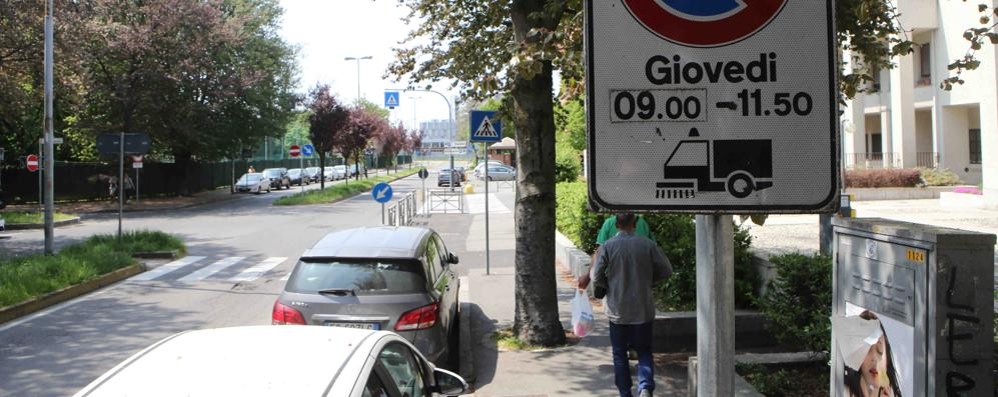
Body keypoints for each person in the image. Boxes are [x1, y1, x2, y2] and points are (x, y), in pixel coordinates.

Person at [582, 213, 672, 397]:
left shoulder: (608, 246)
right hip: (643, 307)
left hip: (618, 308)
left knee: (619, 353)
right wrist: (650, 281)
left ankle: (625, 392)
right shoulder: (647, 244)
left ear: (616, 224)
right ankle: (645, 386)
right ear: (635, 223)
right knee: (644, 350)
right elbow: (666, 270)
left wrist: (607, 285)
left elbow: (596, 275)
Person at [577, 214, 656, 290]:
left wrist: (590, 277)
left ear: (617, 225)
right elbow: (657, 259)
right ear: (634, 225)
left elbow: (599, 254)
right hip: (640, 280)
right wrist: (649, 280)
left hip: (614, 280)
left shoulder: (609, 223)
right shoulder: (642, 224)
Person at [842, 311, 901, 397]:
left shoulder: (890, 390)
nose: (874, 358)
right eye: (866, 349)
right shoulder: (843, 390)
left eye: (880, 351)